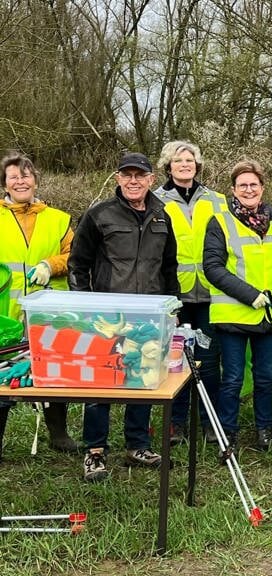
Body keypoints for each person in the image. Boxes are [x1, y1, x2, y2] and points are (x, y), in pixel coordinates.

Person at [68, 152, 179, 481]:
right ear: (117, 178)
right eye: (126, 175)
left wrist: (171, 306)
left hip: (149, 313)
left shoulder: (162, 215)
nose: (133, 180)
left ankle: (137, 444)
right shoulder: (99, 215)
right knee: (101, 382)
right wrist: (86, 307)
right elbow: (78, 263)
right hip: (108, 315)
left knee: (143, 379)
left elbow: (169, 266)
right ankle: (95, 451)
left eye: (139, 175)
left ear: (150, 180)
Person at [203, 160, 272, 452]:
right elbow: (213, 267)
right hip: (233, 314)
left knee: (265, 377)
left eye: (253, 185)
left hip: (268, 317)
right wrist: (250, 295)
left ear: (262, 189)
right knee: (232, 378)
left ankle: (265, 431)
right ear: (233, 190)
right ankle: (227, 433)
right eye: (242, 185)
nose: (248, 190)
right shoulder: (220, 221)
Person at [0, 153, 77, 458]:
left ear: (35, 179)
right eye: (14, 177)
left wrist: (51, 264)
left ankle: (58, 434)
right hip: (6, 313)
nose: (21, 181)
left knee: (53, 372)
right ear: (5, 184)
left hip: (50, 313)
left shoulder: (57, 219)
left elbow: (75, 254)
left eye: (26, 175)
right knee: (3, 374)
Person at [152, 140, 227, 446]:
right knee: (176, 361)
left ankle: (211, 422)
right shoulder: (156, 200)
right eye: (178, 160)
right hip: (175, 295)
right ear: (168, 166)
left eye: (190, 160)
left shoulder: (217, 200)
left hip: (211, 294)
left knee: (209, 361)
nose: (185, 165)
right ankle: (176, 423)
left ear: (198, 165)